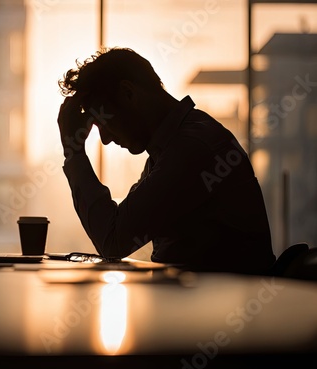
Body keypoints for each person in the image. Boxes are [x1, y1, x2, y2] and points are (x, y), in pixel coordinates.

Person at [56, 47, 276, 274]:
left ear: (128, 94)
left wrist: (74, 152)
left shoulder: (191, 149)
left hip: (221, 303)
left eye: (103, 123)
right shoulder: (174, 146)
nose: (105, 139)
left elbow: (113, 240)